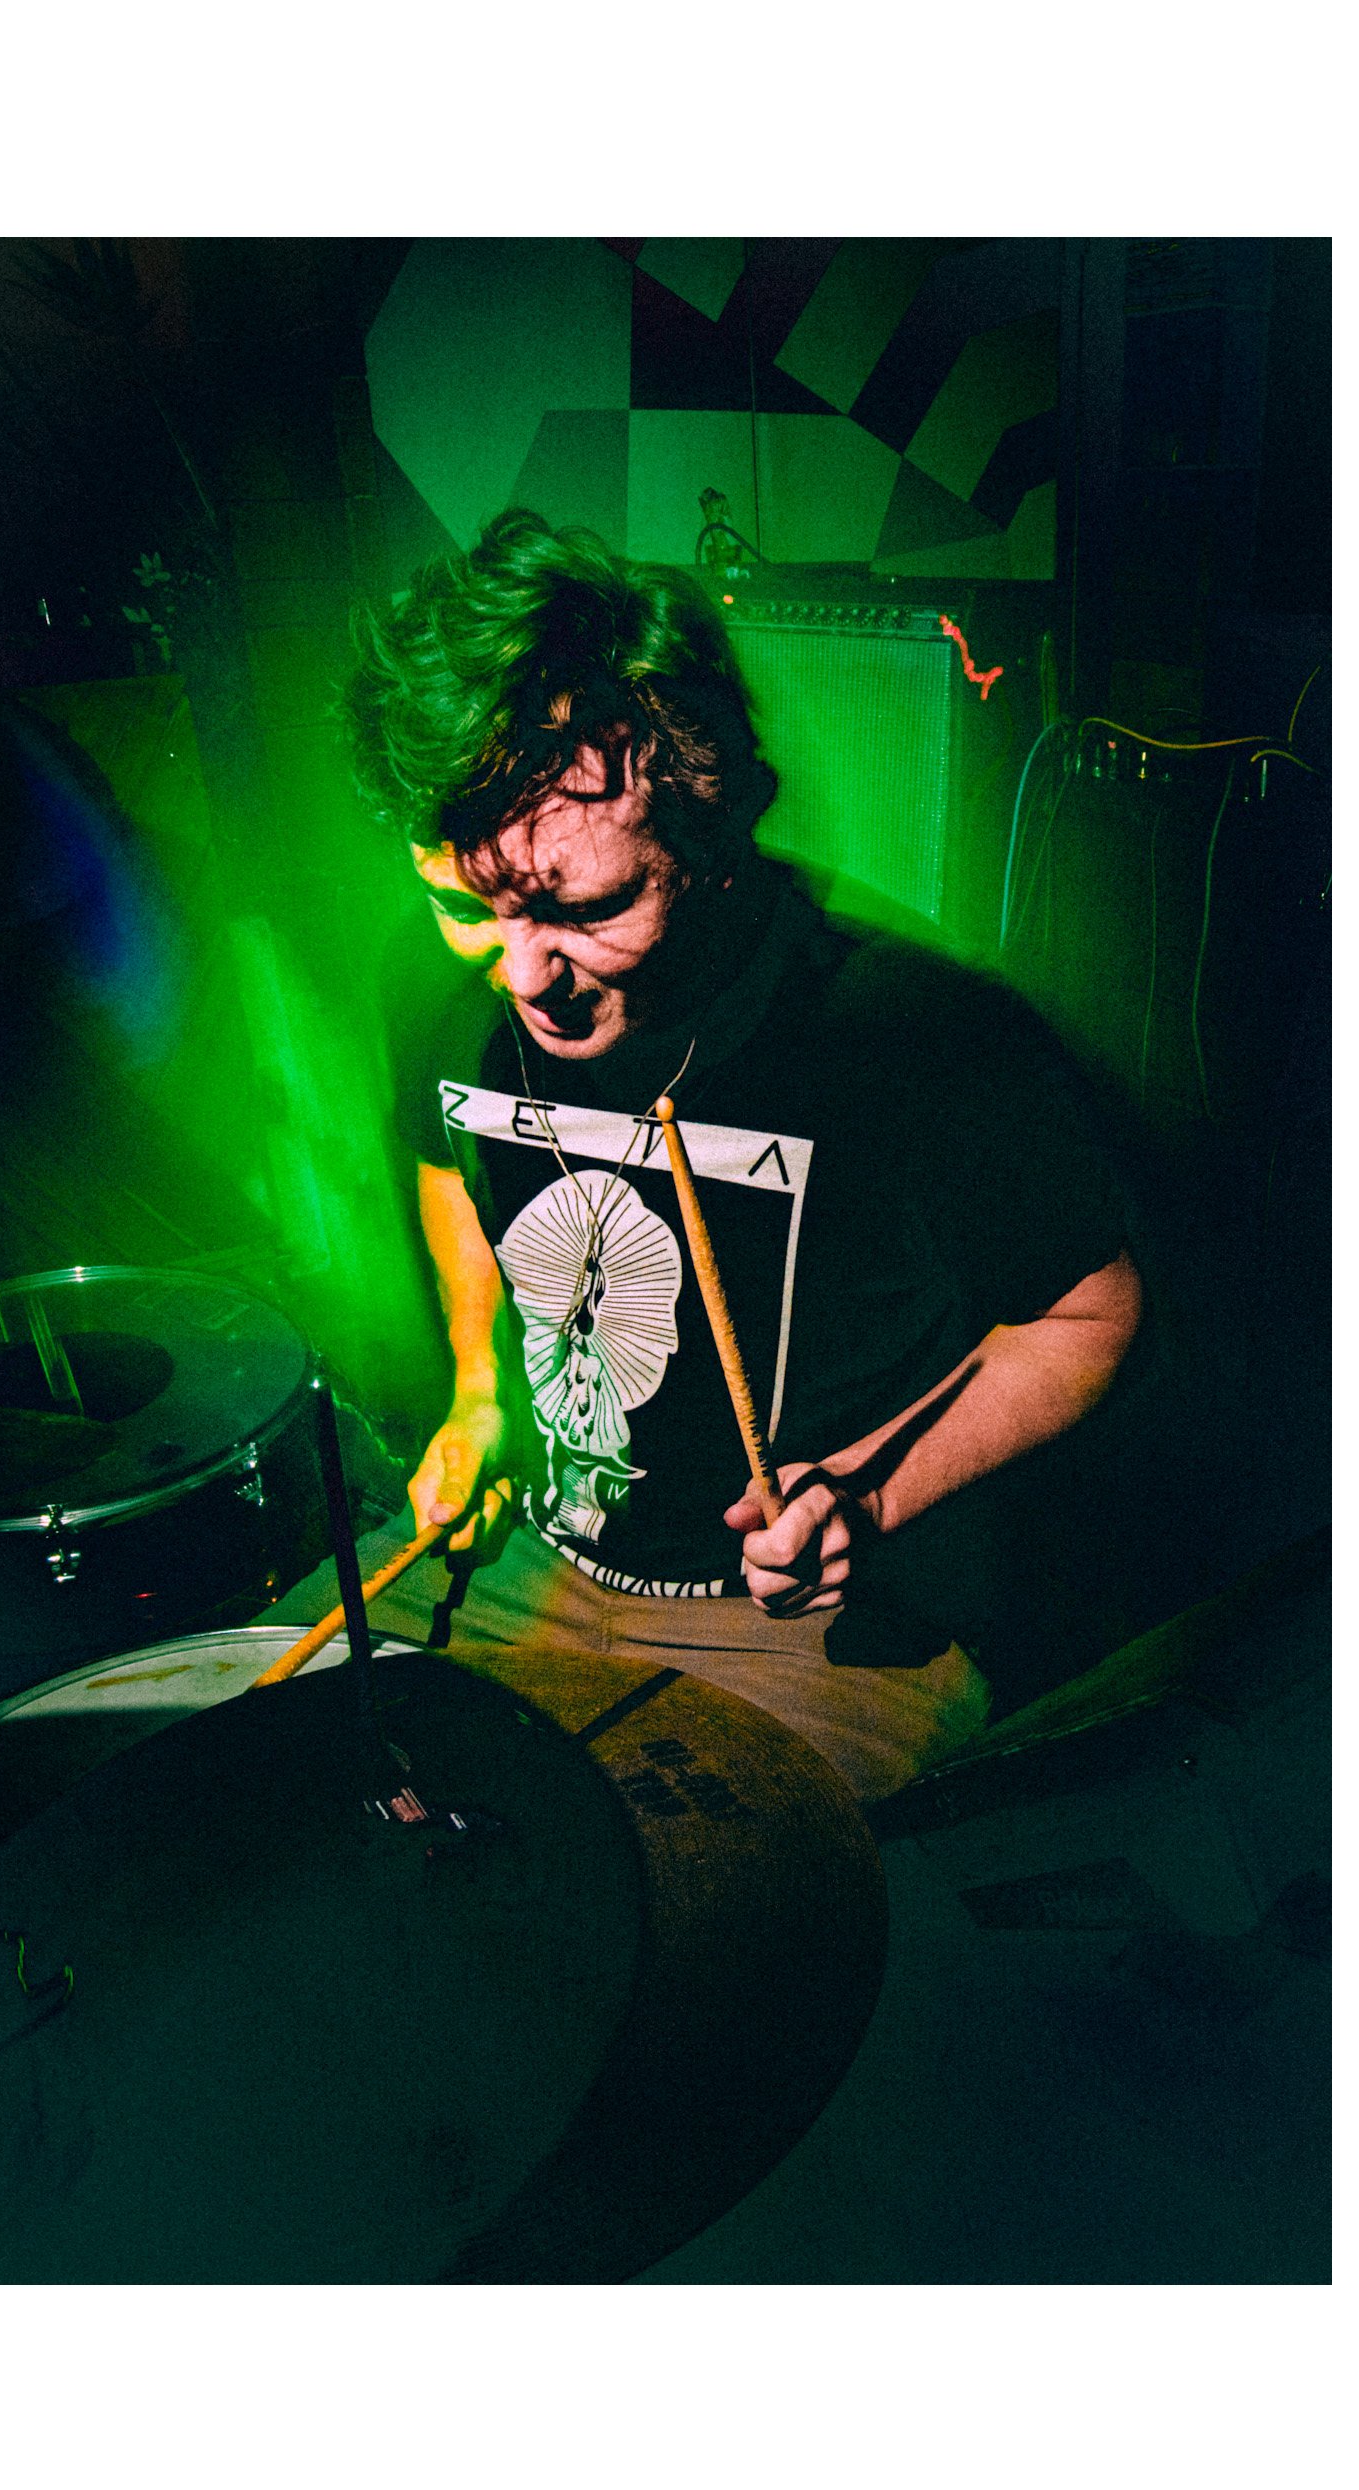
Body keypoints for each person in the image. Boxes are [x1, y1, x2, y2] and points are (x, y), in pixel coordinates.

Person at [299, 510, 1144, 1802]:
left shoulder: (907, 1030)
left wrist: (870, 1498)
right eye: (470, 904)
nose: (527, 976)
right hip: (533, 1562)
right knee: (271, 1803)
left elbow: (1090, 1311)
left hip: (811, 1626)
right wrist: (478, 1392)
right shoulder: (431, 978)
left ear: (714, 825)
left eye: (587, 906)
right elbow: (446, 1164)